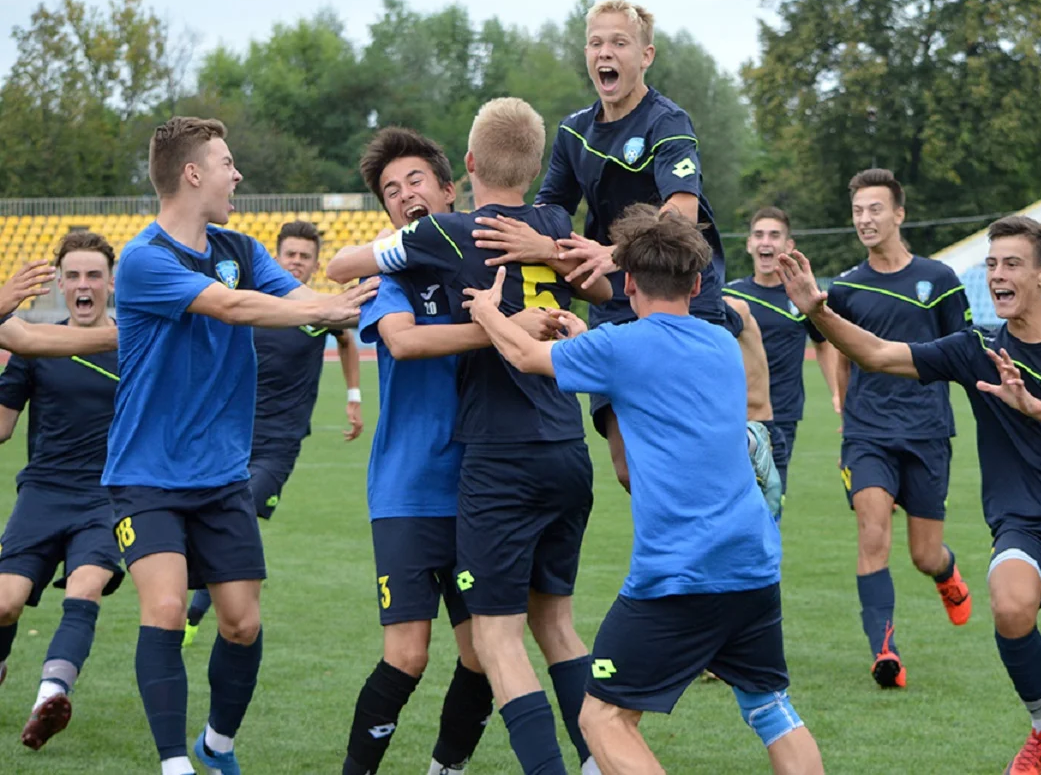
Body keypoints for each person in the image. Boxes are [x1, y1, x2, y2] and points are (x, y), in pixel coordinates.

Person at [464, 204, 825, 775]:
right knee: (769, 706)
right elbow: (646, 368)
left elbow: (524, 353)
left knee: (602, 719)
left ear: (627, 281)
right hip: (754, 563)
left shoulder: (622, 347)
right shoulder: (718, 344)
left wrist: (487, 311)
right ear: (698, 282)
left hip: (678, 576)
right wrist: (590, 342)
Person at [778, 215, 1041, 775]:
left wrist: (1033, 406)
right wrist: (817, 311)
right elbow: (878, 354)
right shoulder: (976, 349)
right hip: (1026, 523)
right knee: (1009, 607)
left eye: (1012, 264)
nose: (997, 274)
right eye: (992, 264)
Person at [328, 99, 610, 775]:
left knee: (488, 650)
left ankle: (445, 767)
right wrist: (508, 322)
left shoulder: (463, 240)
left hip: (484, 479)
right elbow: (401, 340)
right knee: (410, 655)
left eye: (416, 181)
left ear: (454, 183)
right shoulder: (395, 273)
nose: (404, 195)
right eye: (391, 190)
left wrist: (510, 311)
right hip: (410, 485)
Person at [103, 116, 375, 775]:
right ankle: (174, 765)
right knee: (167, 608)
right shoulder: (144, 260)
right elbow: (232, 308)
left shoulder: (243, 247)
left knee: (241, 624)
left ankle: (217, 745)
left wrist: (346, 303)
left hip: (222, 475)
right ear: (193, 173)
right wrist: (327, 311)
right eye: (227, 162)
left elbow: (300, 296)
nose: (238, 174)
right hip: (146, 472)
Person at [470, 0, 780, 512]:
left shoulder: (668, 122)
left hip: (681, 292)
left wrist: (616, 253)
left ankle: (744, 452)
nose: (604, 52)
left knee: (689, 445)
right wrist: (508, 232)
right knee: (630, 470)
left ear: (646, 56)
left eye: (618, 42)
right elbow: (549, 212)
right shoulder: (574, 132)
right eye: (595, 43)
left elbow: (681, 209)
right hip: (616, 302)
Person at [183, 219, 364, 646]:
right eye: (290, 255)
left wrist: (353, 394)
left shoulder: (320, 308)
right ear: (277, 257)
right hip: (229, 433)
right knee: (217, 519)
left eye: (305, 257)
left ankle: (193, 614)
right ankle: (198, 602)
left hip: (280, 441)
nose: (297, 262)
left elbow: (347, 341)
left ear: (316, 263)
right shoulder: (251, 301)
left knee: (239, 514)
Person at [826, 168, 973, 688]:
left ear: (899, 214)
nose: (865, 219)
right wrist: (839, 395)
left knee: (923, 553)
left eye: (875, 209)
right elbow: (836, 345)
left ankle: (946, 572)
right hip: (867, 433)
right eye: (858, 211)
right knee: (872, 534)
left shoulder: (939, 281)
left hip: (928, 431)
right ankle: (884, 652)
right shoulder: (844, 287)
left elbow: (964, 351)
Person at [0, 232, 124, 752]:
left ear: (111, 283)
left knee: (85, 588)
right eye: (72, 275)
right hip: (43, 493)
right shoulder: (34, 345)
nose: (83, 284)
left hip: (107, 498)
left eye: (93, 274)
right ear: (59, 283)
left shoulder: (134, 345)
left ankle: (48, 700)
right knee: (5, 605)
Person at [723, 207, 841, 496]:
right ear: (749, 243)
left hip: (782, 417)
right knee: (728, 499)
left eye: (775, 235)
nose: (766, 242)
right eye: (759, 235)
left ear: (788, 246)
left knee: (770, 503)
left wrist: (837, 392)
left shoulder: (801, 296)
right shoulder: (729, 296)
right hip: (733, 413)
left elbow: (824, 344)